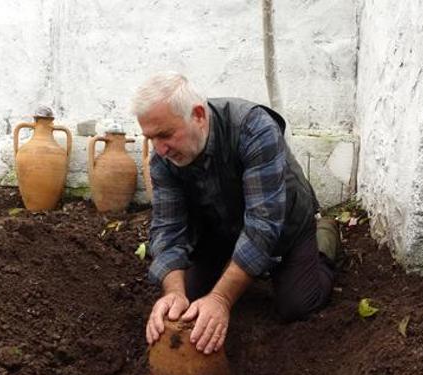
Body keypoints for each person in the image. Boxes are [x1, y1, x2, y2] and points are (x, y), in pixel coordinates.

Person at [131, 72, 339, 356]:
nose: (160, 149)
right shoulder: (162, 159)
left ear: (199, 115)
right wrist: (174, 294)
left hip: (283, 224)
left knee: (298, 304)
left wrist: (220, 299)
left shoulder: (254, 129)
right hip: (220, 229)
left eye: (165, 135)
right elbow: (168, 229)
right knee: (187, 302)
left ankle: (325, 238)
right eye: (151, 138)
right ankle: (236, 271)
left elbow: (263, 225)